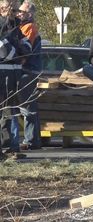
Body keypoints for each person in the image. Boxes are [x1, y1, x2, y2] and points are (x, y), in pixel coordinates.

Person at [0, 0, 32, 159]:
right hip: (2, 73)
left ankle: (12, 147)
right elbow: (2, 48)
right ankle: (6, 147)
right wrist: (16, 53)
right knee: (3, 112)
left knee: (12, 111)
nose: (14, 13)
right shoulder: (1, 25)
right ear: (2, 9)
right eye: (11, 10)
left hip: (14, 73)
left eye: (15, 10)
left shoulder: (17, 27)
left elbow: (26, 45)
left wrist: (21, 52)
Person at [9, 0, 42, 151]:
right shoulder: (21, 26)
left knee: (27, 106)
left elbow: (25, 52)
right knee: (23, 106)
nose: (19, 13)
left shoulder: (29, 28)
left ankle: (31, 140)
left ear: (29, 14)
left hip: (28, 70)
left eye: (21, 11)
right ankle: (31, 140)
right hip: (25, 70)